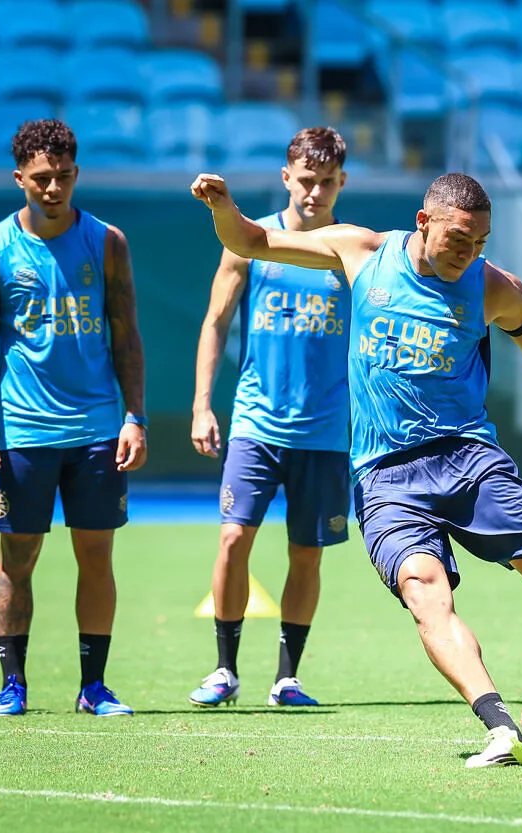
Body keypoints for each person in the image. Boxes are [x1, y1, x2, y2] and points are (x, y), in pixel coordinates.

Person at [191, 170, 522, 767]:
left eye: (480, 242)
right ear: (423, 222)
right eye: (459, 239)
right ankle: (502, 728)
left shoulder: (494, 289)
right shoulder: (361, 252)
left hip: (468, 461)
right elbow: (250, 241)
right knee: (426, 595)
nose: (468, 253)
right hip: (383, 479)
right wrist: (223, 206)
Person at [0, 119, 148, 717]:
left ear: (76, 174)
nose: (53, 188)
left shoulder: (106, 242)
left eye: (63, 176)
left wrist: (135, 416)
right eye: (41, 178)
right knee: (17, 560)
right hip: (22, 433)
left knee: (97, 558)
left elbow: (126, 335)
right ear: (19, 178)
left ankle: (94, 687)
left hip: (97, 431)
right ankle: (12, 684)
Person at [187, 127, 351, 709]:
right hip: (256, 423)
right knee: (233, 540)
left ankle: (287, 677)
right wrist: (203, 403)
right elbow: (215, 321)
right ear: (287, 177)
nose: (316, 192)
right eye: (307, 180)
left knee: (306, 553)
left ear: (342, 183)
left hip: (328, 431)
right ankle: (224, 669)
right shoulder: (250, 241)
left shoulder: (350, 251)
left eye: (327, 182)